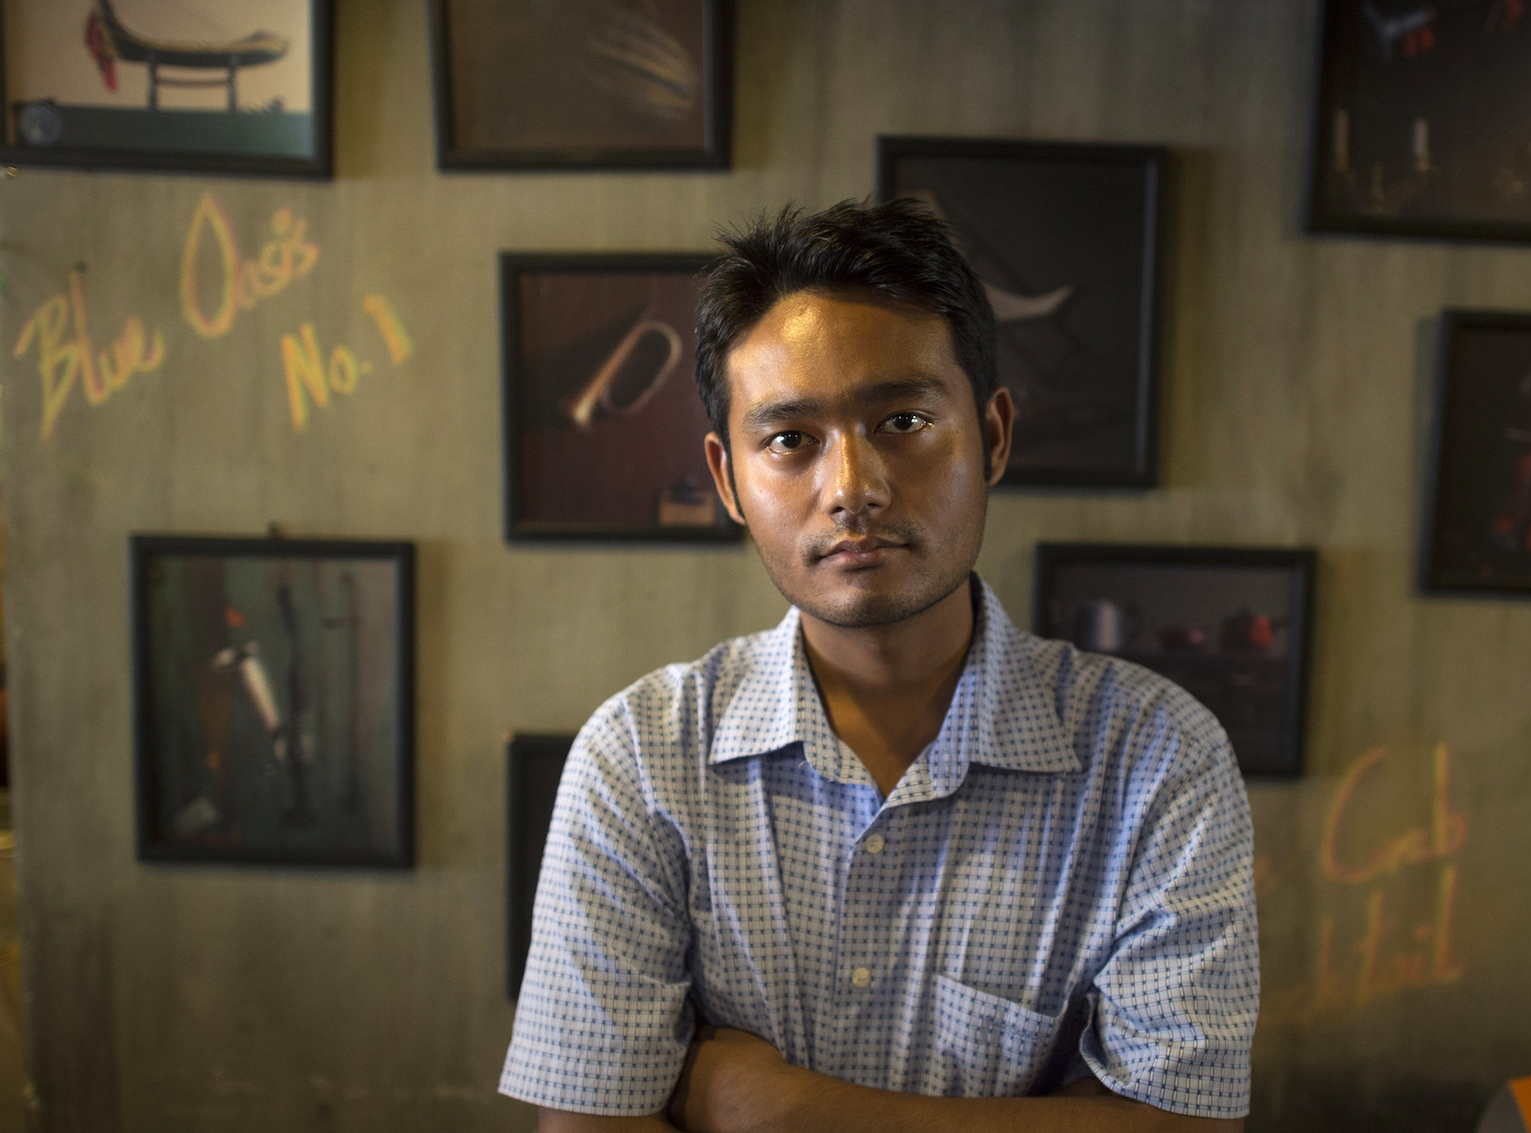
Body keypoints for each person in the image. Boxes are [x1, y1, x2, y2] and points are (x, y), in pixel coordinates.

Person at [500, 200, 1259, 1132]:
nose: (852, 487)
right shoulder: (642, 759)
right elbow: (589, 1125)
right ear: (729, 478)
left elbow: (1183, 1124)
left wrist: (778, 1108)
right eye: (790, 440)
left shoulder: (1158, 757)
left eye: (902, 418)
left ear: (995, 438)